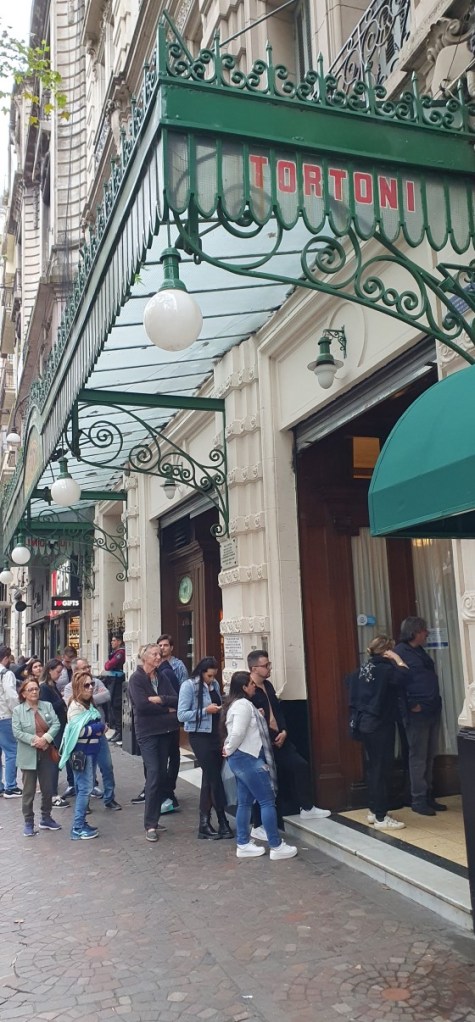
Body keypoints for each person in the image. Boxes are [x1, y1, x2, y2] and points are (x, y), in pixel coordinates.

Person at [247, 651, 330, 839]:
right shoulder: (249, 690)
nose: (269, 668)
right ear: (254, 668)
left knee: (300, 765)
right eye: (265, 665)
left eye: (269, 664)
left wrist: (284, 730)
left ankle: (306, 807)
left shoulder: (268, 685)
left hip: (280, 739)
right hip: (261, 744)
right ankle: (257, 824)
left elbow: (277, 711)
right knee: (262, 782)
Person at [223, 671, 297, 860]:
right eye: (250, 683)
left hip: (242, 757)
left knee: (245, 802)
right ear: (243, 687)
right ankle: (276, 845)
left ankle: (243, 843)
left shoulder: (239, 704)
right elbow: (238, 733)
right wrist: (229, 748)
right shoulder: (243, 705)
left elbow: (242, 729)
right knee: (267, 801)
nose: (254, 685)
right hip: (248, 757)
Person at [349, 636, 408, 830]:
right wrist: (398, 659)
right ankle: (381, 816)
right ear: (387, 651)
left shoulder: (363, 669)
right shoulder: (386, 670)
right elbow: (405, 677)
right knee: (382, 769)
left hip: (364, 723)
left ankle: (374, 810)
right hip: (381, 723)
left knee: (374, 768)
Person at [128, 644, 179, 842]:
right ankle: (150, 824)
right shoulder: (136, 679)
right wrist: (166, 710)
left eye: (160, 654)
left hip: (165, 731)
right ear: (144, 657)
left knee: (161, 774)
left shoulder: (162, 677)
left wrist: (159, 699)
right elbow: (141, 706)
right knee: (154, 773)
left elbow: (175, 698)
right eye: (155, 654)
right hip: (148, 733)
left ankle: (154, 820)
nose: (159, 657)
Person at [394, 617, 445, 817]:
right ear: (414, 632)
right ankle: (418, 798)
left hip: (432, 708)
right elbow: (397, 683)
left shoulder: (420, 651)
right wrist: (410, 705)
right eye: (424, 630)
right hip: (417, 713)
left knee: (429, 755)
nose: (427, 633)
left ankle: (428, 794)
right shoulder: (400, 653)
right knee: (418, 757)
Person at [178, 656, 233, 840]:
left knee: (209, 779)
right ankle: (222, 820)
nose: (212, 679)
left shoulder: (214, 685)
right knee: (214, 778)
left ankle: (204, 823)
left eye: (214, 676)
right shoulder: (189, 686)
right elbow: (181, 715)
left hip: (216, 735)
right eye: (209, 676)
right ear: (201, 672)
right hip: (199, 736)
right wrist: (205, 711)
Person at [63, 658, 121, 811]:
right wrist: (88, 696)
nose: (88, 670)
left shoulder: (96, 681)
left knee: (107, 766)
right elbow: (69, 702)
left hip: (100, 734)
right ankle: (84, 803)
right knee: (84, 771)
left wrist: (87, 695)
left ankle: (109, 798)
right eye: (84, 668)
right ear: (76, 671)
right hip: (82, 740)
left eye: (88, 666)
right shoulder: (69, 688)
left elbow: (107, 695)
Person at [60, 670, 106, 840]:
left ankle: (81, 823)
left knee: (85, 788)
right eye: (86, 685)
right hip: (82, 754)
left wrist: (97, 728)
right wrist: (99, 728)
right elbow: (77, 731)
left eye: (92, 684)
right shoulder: (75, 707)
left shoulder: (88, 704)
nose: (91, 687)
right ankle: (77, 827)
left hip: (91, 752)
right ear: (78, 687)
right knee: (85, 789)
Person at [12, 678, 61, 836]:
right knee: (28, 791)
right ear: (24, 694)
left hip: (46, 753)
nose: (34, 692)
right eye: (30, 689)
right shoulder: (18, 711)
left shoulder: (47, 706)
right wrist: (35, 740)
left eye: (36, 689)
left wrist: (45, 738)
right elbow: (17, 732)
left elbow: (56, 724)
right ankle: (28, 822)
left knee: (47, 788)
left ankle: (46, 817)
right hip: (28, 755)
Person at [39, 658, 73, 808]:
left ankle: (54, 792)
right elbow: (47, 709)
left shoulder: (52, 686)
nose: (60, 675)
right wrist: (64, 700)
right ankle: (52, 795)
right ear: (50, 670)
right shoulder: (45, 688)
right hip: (55, 728)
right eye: (58, 672)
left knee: (57, 759)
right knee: (54, 760)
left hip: (60, 727)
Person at [0, 645, 21, 798]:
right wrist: (17, 712)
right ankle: (11, 786)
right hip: (5, 716)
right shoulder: (6, 674)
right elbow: (11, 696)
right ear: (6, 658)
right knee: (12, 751)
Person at [103, 633, 125, 745]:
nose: (112, 642)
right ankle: (117, 730)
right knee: (112, 706)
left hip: (117, 681)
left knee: (116, 705)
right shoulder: (115, 653)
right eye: (111, 640)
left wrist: (108, 664)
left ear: (119, 642)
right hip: (113, 681)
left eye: (114, 640)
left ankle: (120, 731)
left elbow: (108, 665)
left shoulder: (120, 653)